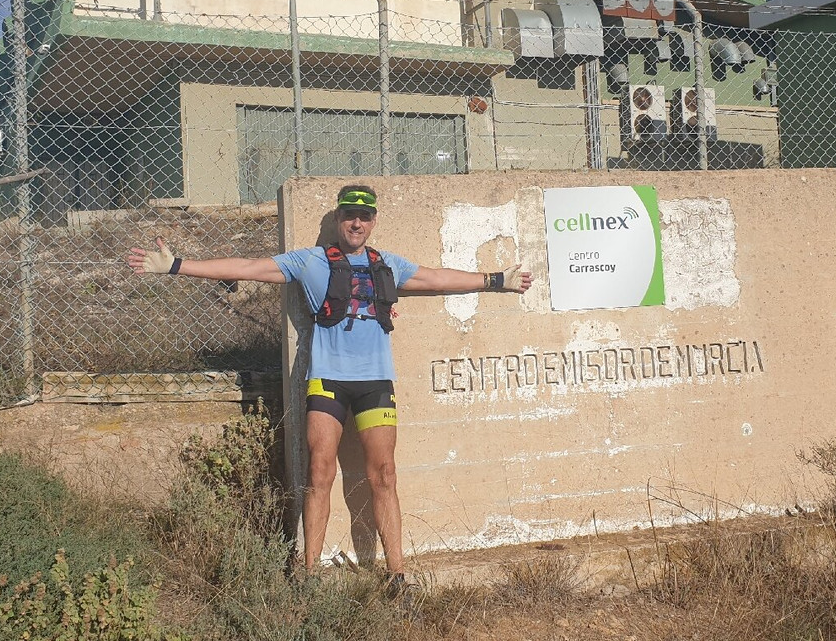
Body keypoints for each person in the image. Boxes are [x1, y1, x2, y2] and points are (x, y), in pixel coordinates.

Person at [127, 183, 532, 591]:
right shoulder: (311, 262)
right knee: (319, 471)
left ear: (373, 221)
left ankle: (397, 576)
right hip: (327, 380)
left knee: (384, 474)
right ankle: (309, 575)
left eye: (364, 216)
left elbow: (436, 278)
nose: (357, 223)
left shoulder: (387, 264)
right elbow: (248, 267)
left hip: (375, 381)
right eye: (349, 215)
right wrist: (177, 265)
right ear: (339, 219)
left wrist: (496, 279)